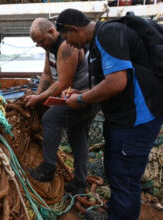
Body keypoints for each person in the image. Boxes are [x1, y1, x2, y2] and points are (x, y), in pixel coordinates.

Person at [56, 9, 163, 220]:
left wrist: (80, 100)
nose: (69, 45)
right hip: (122, 119)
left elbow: (116, 82)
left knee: (125, 174)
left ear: (74, 29)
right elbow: (109, 81)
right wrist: (81, 92)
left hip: (137, 119)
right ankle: (115, 212)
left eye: (67, 38)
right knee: (114, 168)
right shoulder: (98, 41)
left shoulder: (108, 35)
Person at [25, 18, 98, 195]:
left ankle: (48, 169)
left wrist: (39, 99)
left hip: (84, 97)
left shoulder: (67, 46)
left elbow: (63, 84)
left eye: (41, 40)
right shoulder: (49, 48)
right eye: (37, 43)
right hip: (76, 98)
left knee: (50, 119)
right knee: (77, 136)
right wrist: (37, 95)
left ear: (51, 31)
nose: (40, 45)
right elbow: (47, 75)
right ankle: (80, 183)